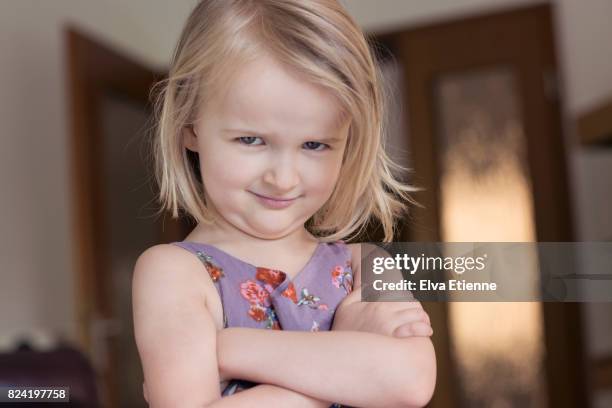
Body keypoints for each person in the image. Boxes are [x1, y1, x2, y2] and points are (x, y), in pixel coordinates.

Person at [132, 1, 436, 406]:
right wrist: (347, 361)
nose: (283, 178)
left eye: (314, 145)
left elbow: (410, 383)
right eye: (251, 140)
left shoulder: (367, 263)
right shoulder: (173, 273)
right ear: (190, 124)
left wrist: (231, 348)